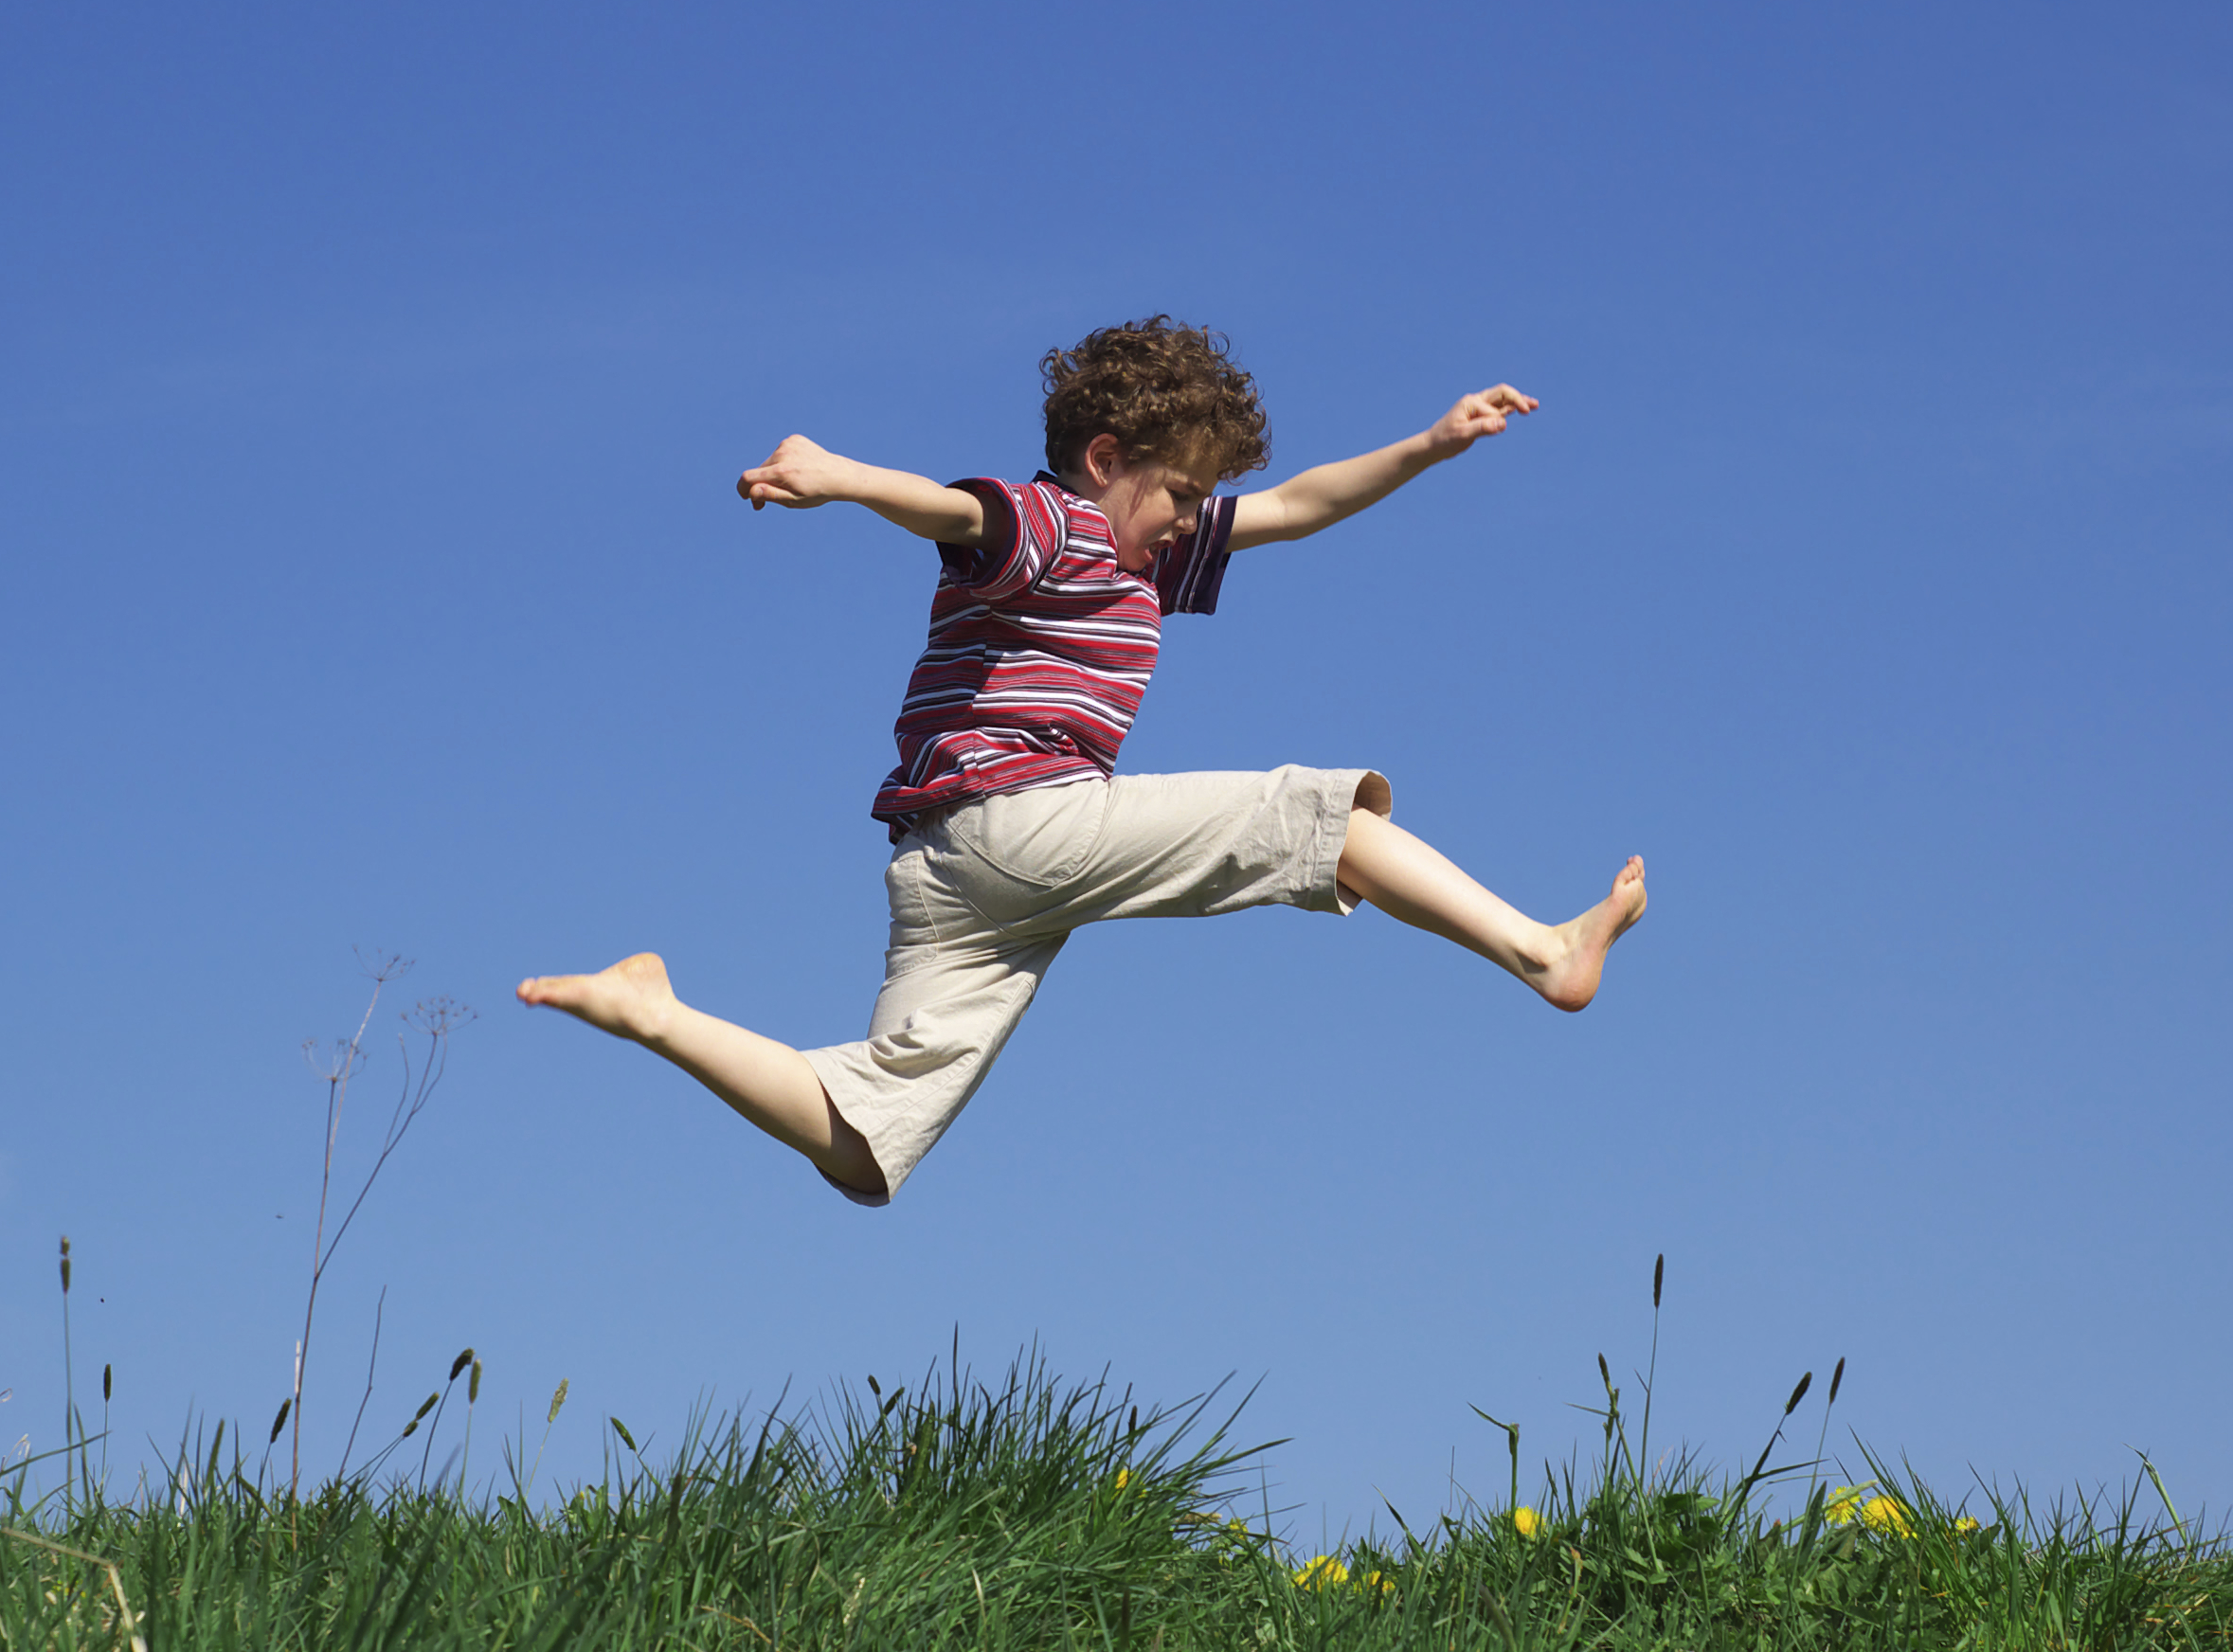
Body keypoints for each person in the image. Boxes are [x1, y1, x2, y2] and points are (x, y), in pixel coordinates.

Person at [517, 317, 1647, 1204]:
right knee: (1316, 818)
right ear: (1106, 459)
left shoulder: (1143, 552)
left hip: (947, 868)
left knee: (864, 1140)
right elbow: (951, 511)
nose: (1190, 521)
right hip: (1024, 818)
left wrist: (1428, 444)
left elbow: (1297, 506)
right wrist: (840, 471)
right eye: (1180, 494)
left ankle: (657, 1012)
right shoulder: (1053, 521)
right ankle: (1541, 951)